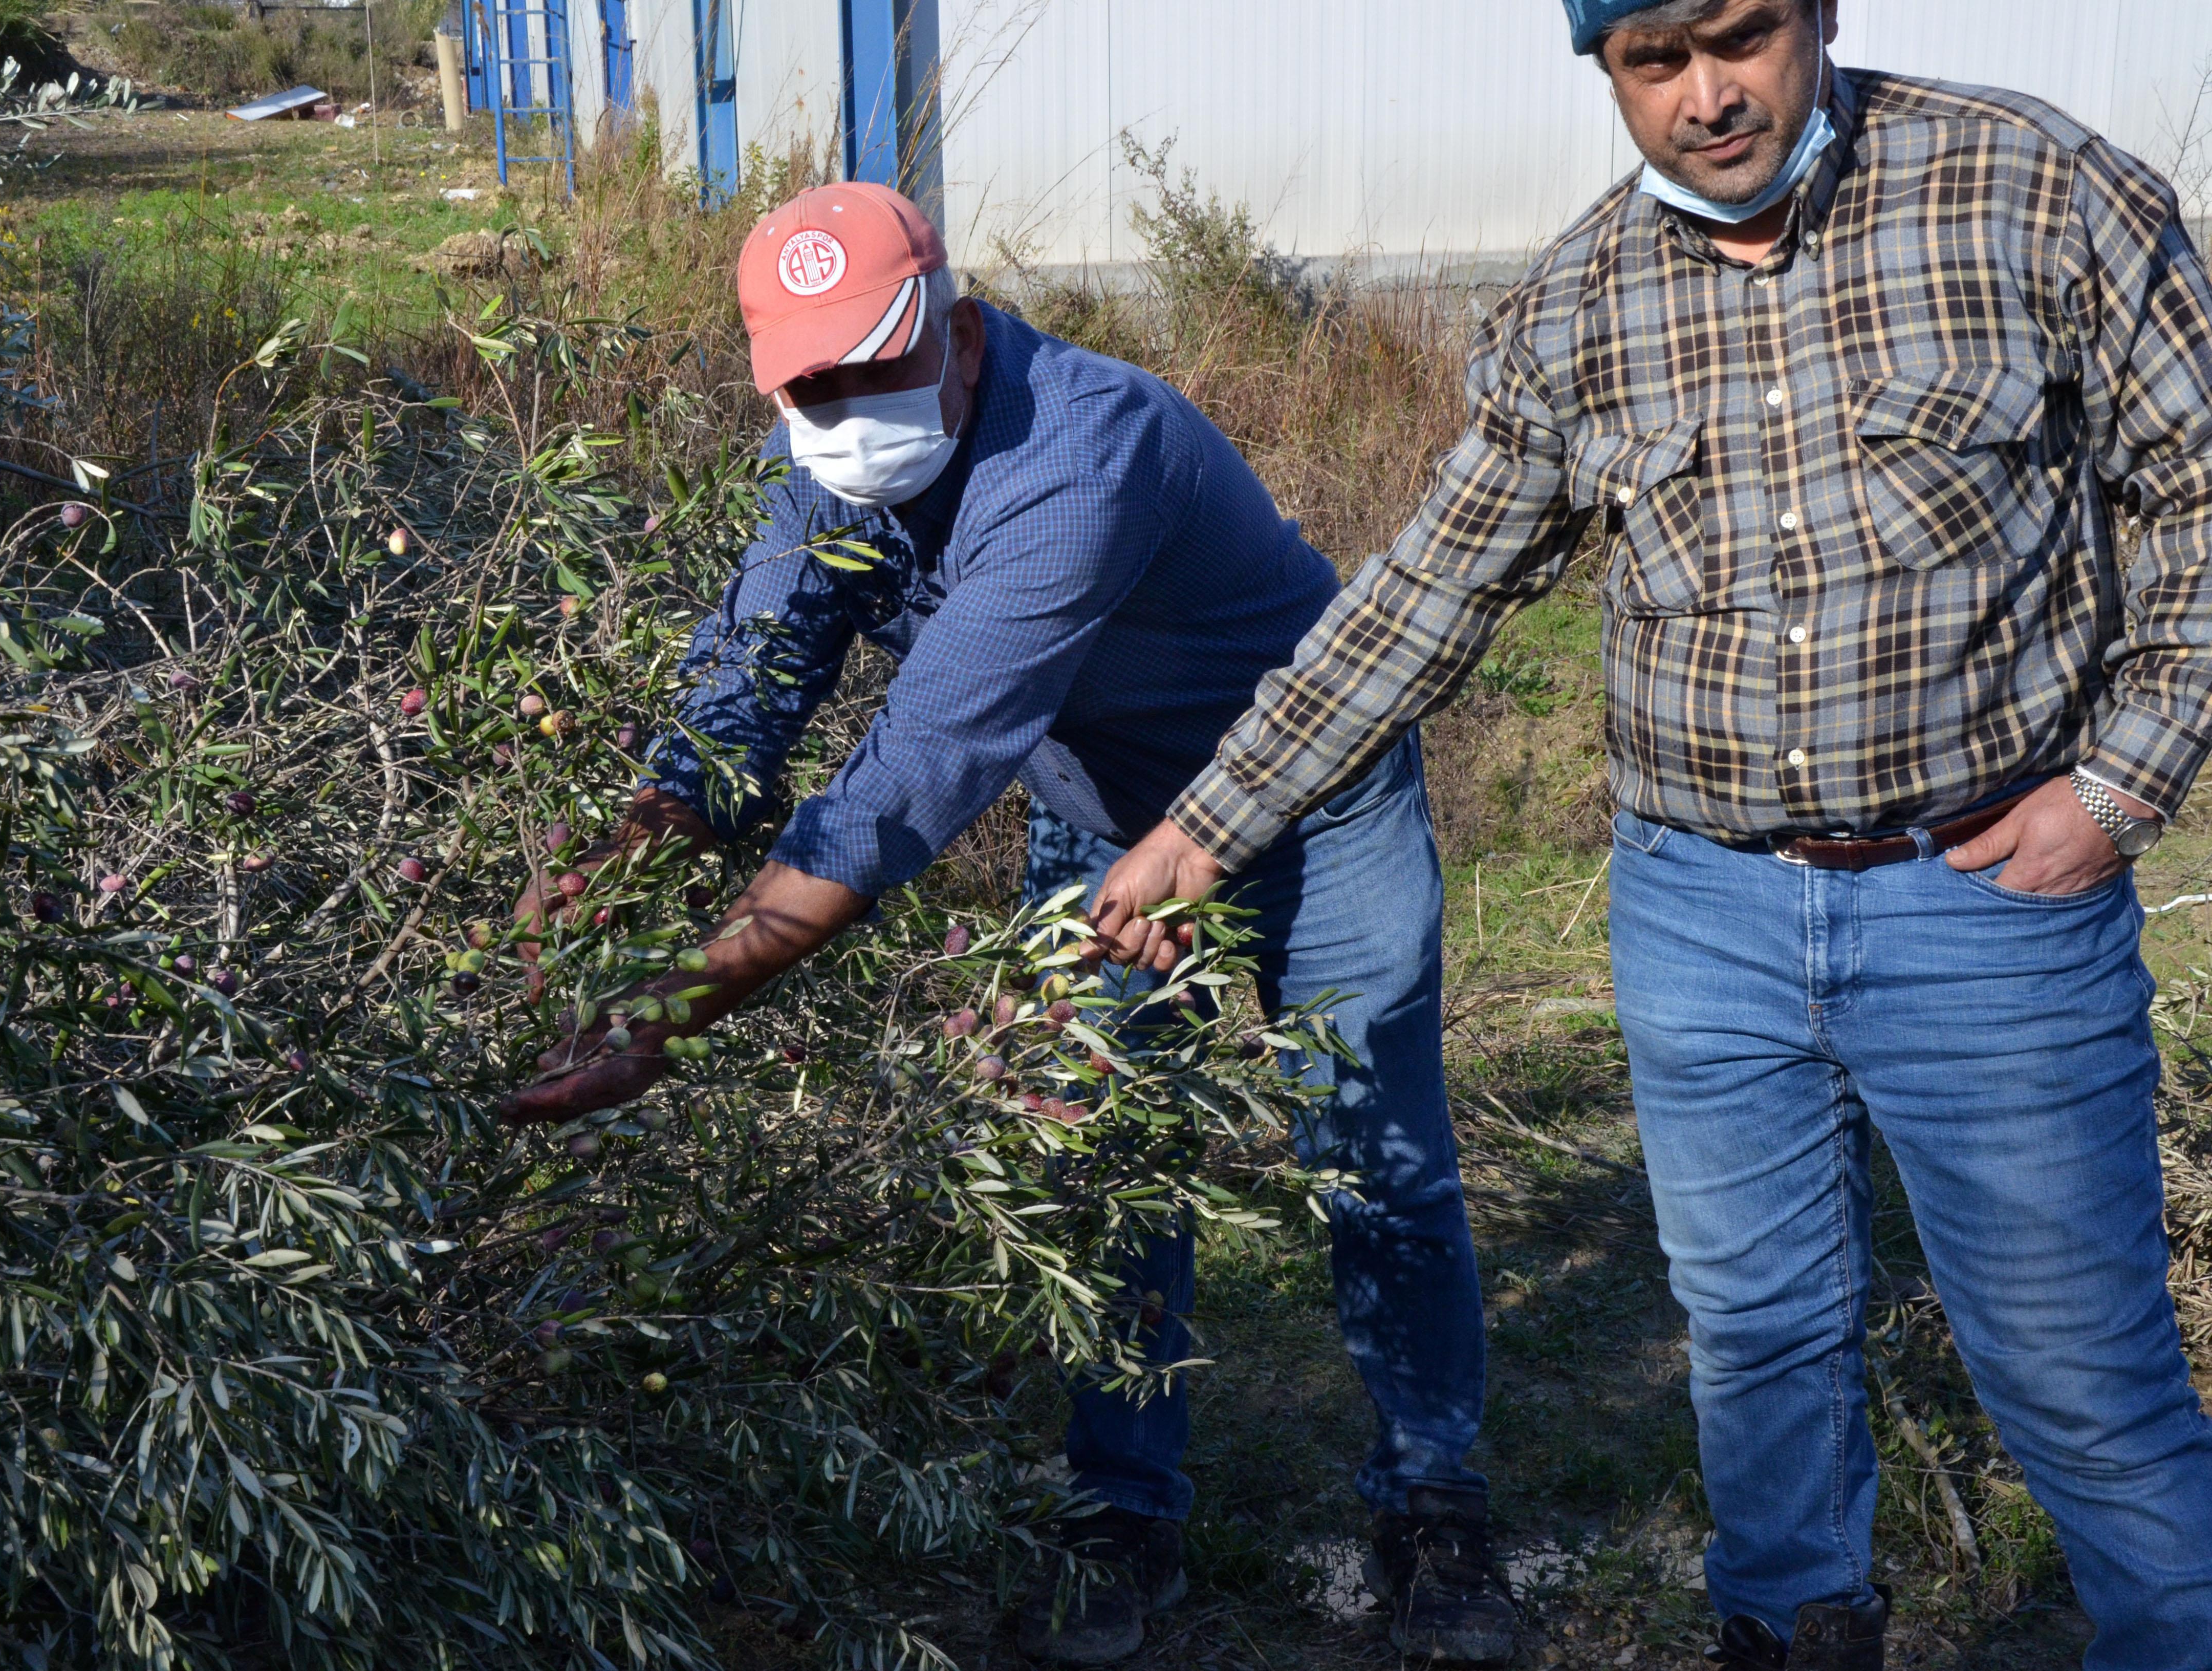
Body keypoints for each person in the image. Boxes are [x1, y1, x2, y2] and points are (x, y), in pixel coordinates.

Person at [1086, 2, 2212, 1667]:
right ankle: (1793, 1629)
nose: (1709, 98)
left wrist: (2121, 784)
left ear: (1819, 15)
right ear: (1606, 71)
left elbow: (2197, 487)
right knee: (1756, 1338)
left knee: (2075, 1374)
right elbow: (1422, 598)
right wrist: (1206, 824)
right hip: (1702, 915)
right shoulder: (1577, 304)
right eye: (1653, 63)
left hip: (1986, 901)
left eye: (1744, 37)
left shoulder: (2032, 189)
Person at [507, 181, 1519, 1667]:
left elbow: (909, 778)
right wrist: (632, 848)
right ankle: (1123, 1512)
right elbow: (749, 699)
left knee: (1374, 1158)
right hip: (1106, 820)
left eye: (875, 367)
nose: (844, 410)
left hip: (1312, 798)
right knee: (1105, 1162)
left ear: (963, 338)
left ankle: (1437, 1503)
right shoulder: (824, 473)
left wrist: (663, 1018)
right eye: (807, 384)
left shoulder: (1080, 454)